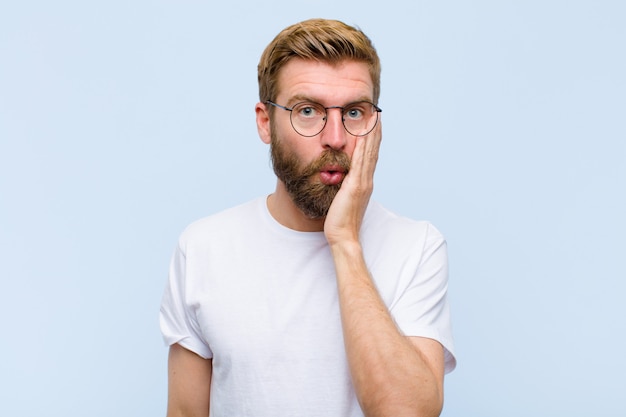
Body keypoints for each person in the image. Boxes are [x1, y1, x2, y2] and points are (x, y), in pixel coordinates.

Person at [160, 18, 456, 417]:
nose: (335, 137)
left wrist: (346, 241)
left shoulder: (417, 246)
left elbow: (406, 412)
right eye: (307, 111)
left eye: (354, 112)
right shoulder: (203, 247)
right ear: (266, 122)